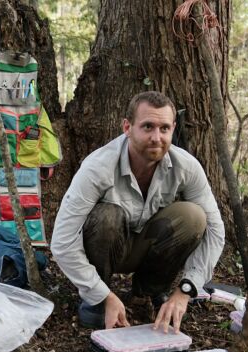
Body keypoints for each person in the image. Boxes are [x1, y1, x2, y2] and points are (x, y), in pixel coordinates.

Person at [51, 91, 225, 333]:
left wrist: (186, 289)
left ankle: (147, 295)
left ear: (173, 128)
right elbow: (62, 241)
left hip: (147, 246)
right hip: (107, 247)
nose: (156, 137)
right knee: (107, 218)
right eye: (147, 127)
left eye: (164, 128)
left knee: (193, 217)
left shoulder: (186, 166)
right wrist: (102, 295)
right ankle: (98, 303)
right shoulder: (98, 166)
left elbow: (216, 231)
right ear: (127, 127)